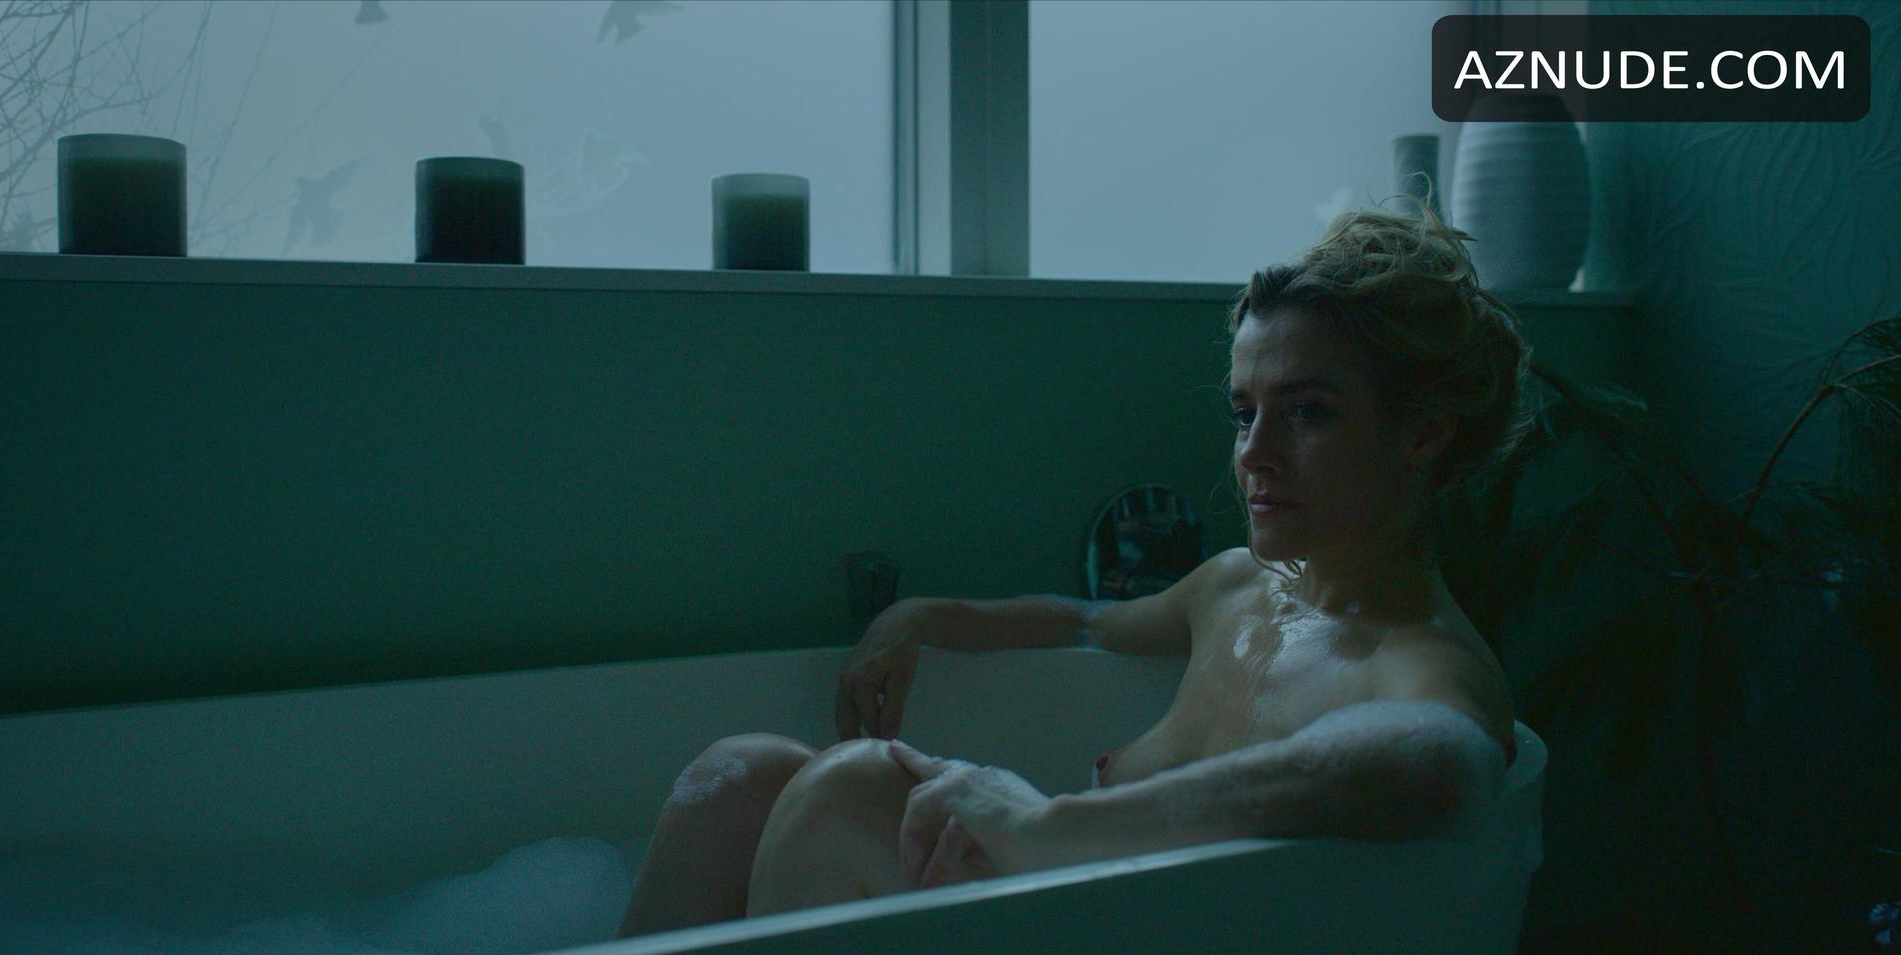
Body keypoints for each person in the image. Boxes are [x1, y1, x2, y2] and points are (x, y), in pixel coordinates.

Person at [616, 201, 1531, 938]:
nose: (1254, 452)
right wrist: (926, 615)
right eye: (1244, 410)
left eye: (1307, 412)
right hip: (1082, 911)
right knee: (740, 776)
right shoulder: (1237, 588)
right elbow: (1085, 622)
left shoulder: (1422, 662)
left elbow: (1440, 762)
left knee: (847, 789)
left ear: (1421, 432)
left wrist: (1043, 825)